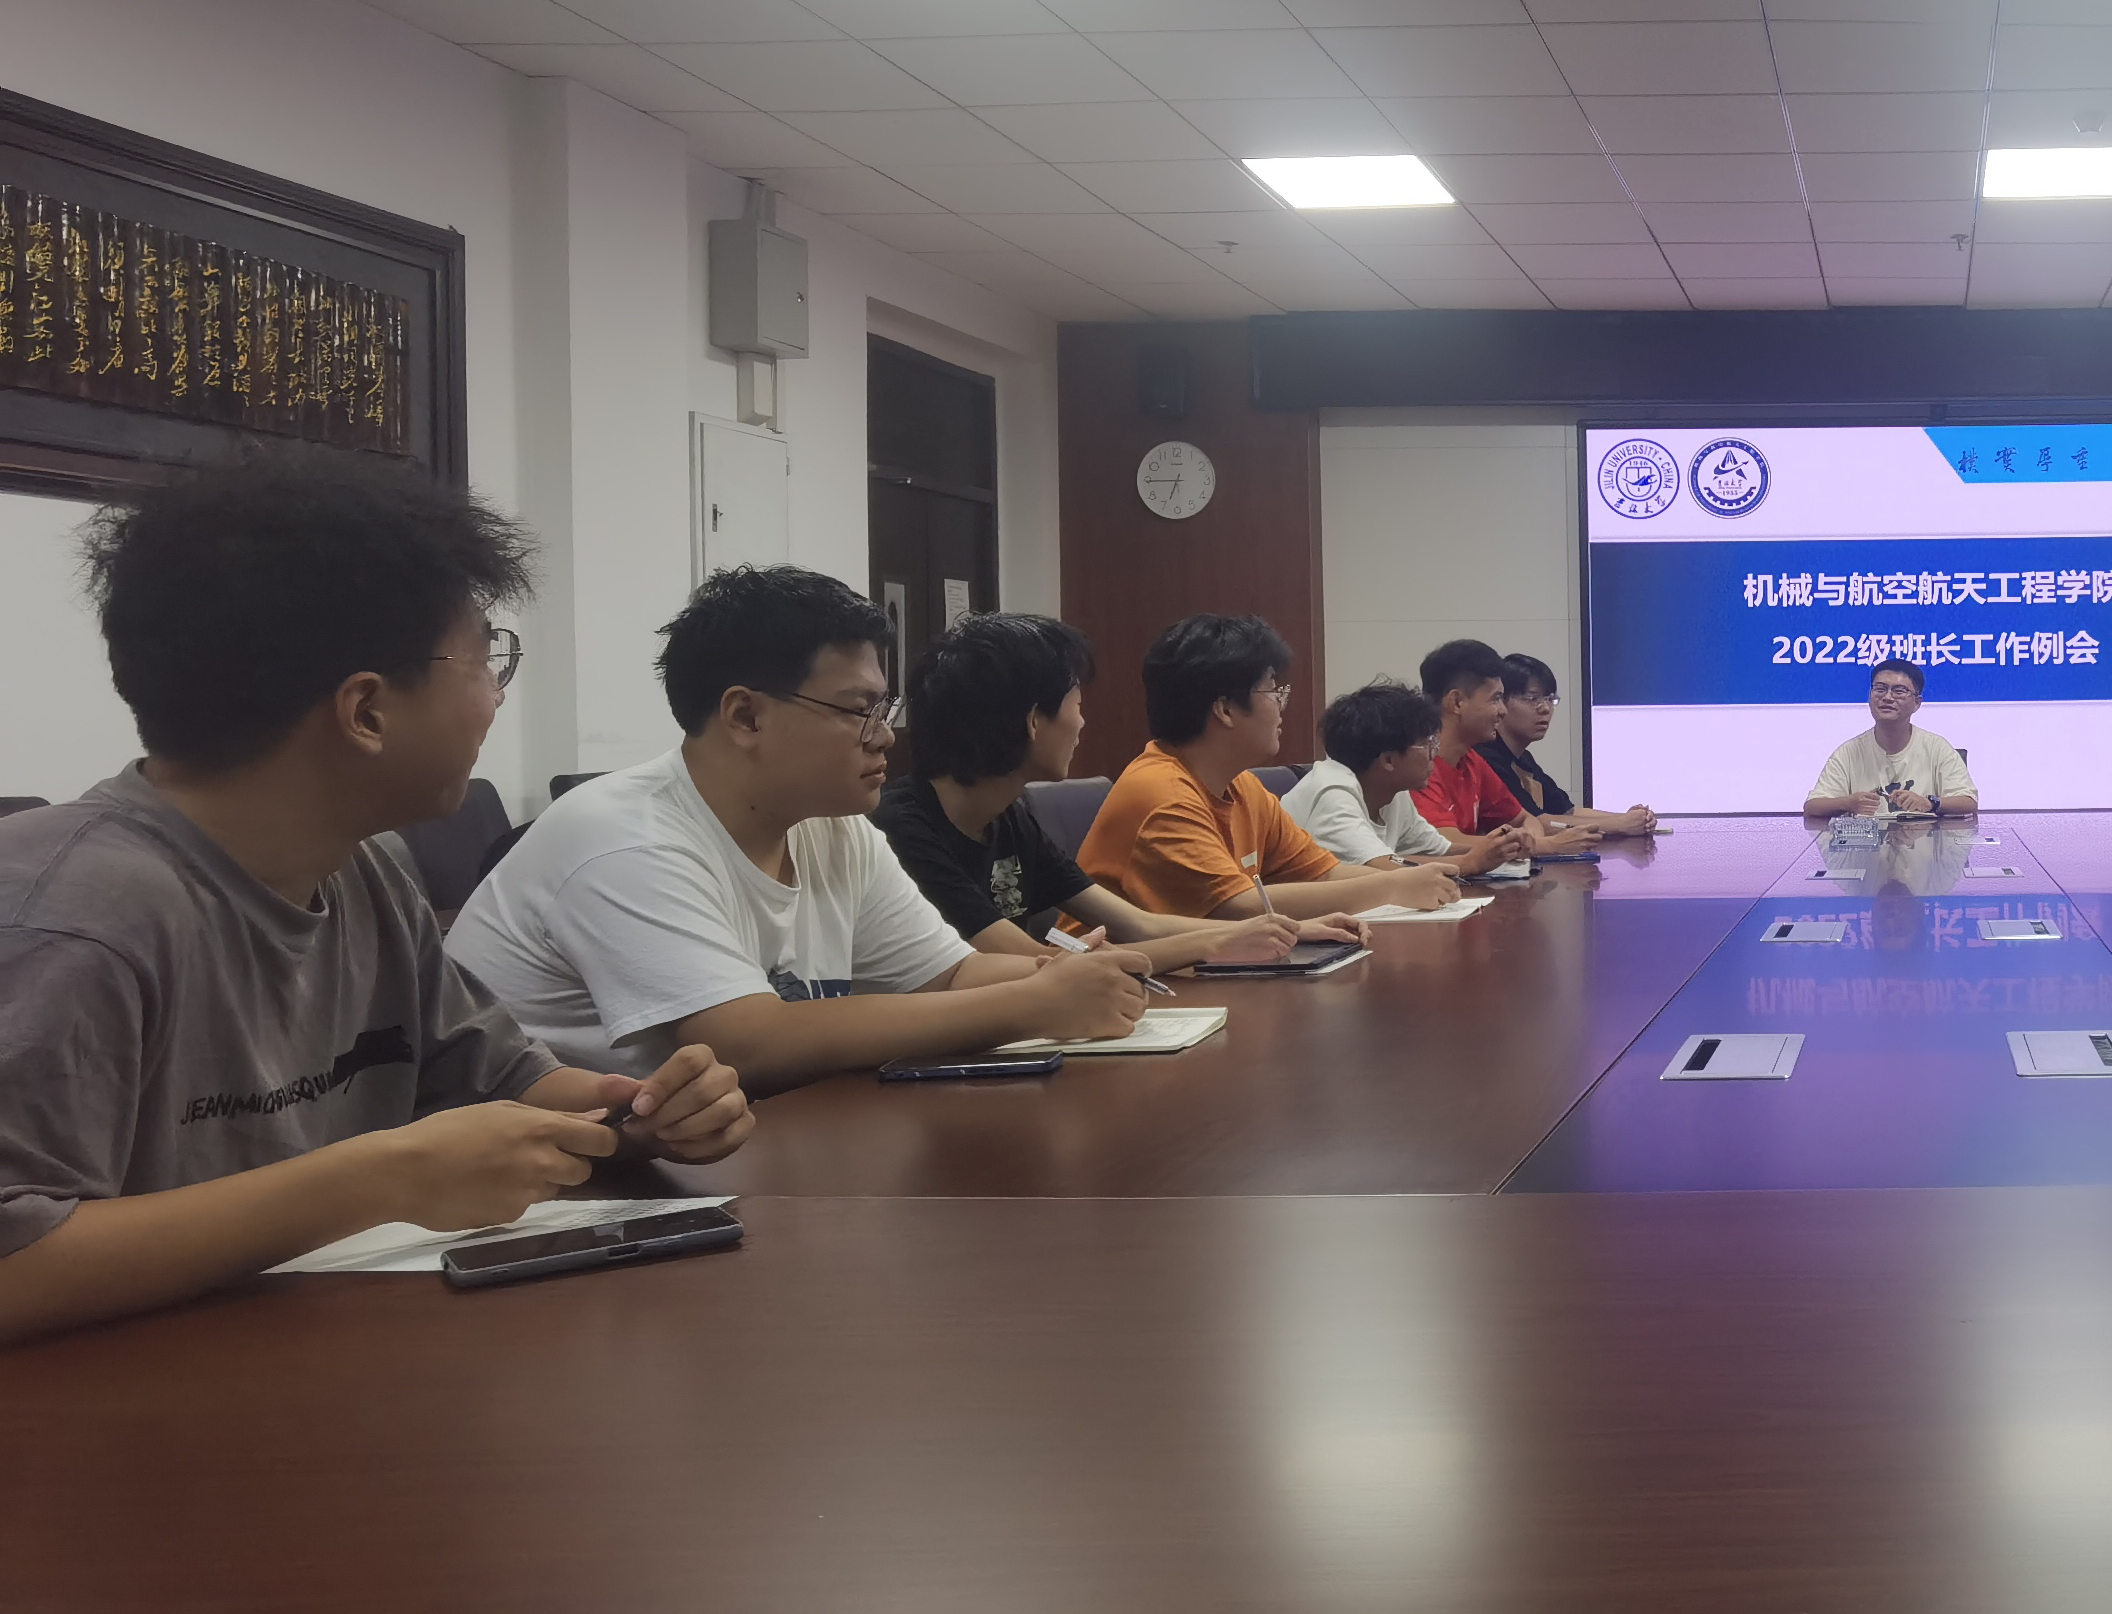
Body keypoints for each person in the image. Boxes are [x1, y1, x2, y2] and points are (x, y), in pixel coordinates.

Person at [0, 459, 755, 1343]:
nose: (495, 697)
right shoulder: (72, 918)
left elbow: (506, 1084)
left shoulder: (366, 869)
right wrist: (384, 1178)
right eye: (485, 660)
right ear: (366, 711)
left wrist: (640, 1114)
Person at [453, 568, 1159, 1090]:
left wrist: (1069, 975)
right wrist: (1033, 1002)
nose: (885, 737)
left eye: (885, 710)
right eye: (858, 710)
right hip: (549, 1196)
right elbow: (749, 1043)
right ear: (746, 716)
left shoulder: (833, 828)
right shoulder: (622, 837)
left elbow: (949, 974)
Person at [873, 612, 1360, 965]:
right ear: (1033, 721)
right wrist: (1215, 942)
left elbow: (1136, 924)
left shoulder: (1007, 816)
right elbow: (1028, 962)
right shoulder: (903, 828)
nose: (1082, 723)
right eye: (1076, 704)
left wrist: (1284, 931)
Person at [1080, 615, 1462, 924]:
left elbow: (1323, 872)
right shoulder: (1162, 792)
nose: (1281, 707)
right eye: (1273, 692)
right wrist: (1391, 887)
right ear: (1225, 709)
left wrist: (1405, 879)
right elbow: (1237, 907)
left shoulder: (1242, 786)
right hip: (1117, 980)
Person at [1282, 680, 1515, 873]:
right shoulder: (1333, 793)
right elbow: (1381, 868)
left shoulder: (1392, 792)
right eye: (1427, 744)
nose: (1434, 754)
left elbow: (1437, 849)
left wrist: (1499, 846)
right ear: (1389, 760)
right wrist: (1468, 864)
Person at [1480, 653, 1653, 837]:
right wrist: (1620, 824)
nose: (1545, 708)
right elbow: (1538, 823)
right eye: (1532, 699)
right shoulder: (1488, 757)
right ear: (1502, 701)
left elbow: (1567, 811)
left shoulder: (1523, 758)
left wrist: (1631, 818)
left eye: (1549, 699)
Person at [1409, 639, 1543, 861]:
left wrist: (1530, 841)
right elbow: (1443, 841)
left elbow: (1525, 819)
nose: (1503, 711)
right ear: (1457, 702)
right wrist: (1542, 845)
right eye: (1496, 699)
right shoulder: (1417, 765)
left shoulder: (1471, 760)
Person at [1804, 659, 1978, 817]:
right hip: (1866, 842)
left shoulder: (1936, 747)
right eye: (1880, 689)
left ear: (1917, 702)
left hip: (1924, 841)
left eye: (1899, 691)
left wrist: (1929, 803)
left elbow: (1968, 802)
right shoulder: (1849, 752)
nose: (1887, 697)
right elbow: (1812, 806)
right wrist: (1847, 803)